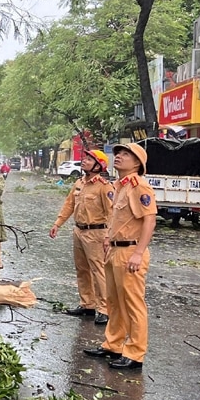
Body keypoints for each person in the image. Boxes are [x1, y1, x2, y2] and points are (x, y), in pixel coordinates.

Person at [83, 142, 157, 371]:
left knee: (133, 304)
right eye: (118, 154)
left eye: (126, 155)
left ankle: (135, 353)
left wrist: (138, 252)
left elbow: (149, 220)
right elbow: (120, 218)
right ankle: (113, 344)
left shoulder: (139, 186)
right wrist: (108, 239)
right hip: (115, 249)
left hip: (130, 252)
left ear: (137, 163)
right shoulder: (121, 185)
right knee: (114, 302)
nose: (119, 157)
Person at [49, 150, 114, 325]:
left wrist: (108, 236)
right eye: (84, 158)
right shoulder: (79, 183)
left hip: (96, 233)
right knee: (82, 269)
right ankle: (88, 305)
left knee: (98, 270)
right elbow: (69, 204)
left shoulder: (104, 186)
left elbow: (112, 213)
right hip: (79, 231)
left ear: (98, 165)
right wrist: (58, 224)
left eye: (88, 159)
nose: (83, 161)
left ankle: (103, 309)